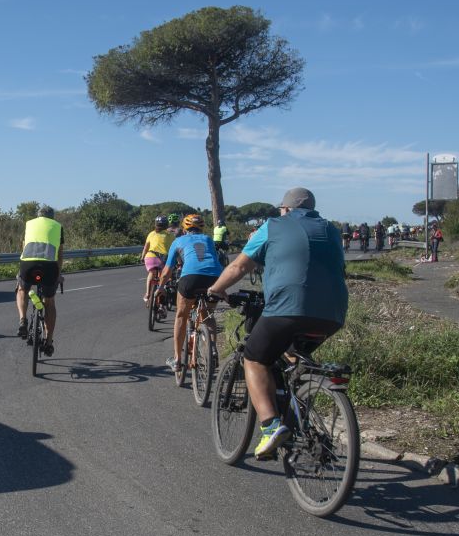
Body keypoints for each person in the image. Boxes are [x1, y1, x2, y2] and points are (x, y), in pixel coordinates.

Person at [207, 188, 347, 459]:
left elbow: (238, 267)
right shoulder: (331, 229)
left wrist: (216, 289)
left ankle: (271, 426)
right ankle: (298, 416)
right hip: (333, 313)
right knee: (294, 356)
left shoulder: (272, 225)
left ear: (286, 209)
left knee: (254, 358)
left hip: (287, 307)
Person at [160, 213, 223, 378]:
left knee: (181, 315)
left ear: (184, 228)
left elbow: (167, 271)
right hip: (215, 278)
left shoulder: (178, 241)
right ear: (201, 227)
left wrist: (160, 287)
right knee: (207, 315)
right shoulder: (208, 239)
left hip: (191, 278)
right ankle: (212, 350)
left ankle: (177, 360)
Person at [16, 205, 65, 356]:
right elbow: (59, 254)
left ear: (38, 216)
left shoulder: (29, 224)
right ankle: (48, 343)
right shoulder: (57, 226)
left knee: (22, 289)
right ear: (52, 217)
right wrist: (58, 275)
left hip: (28, 264)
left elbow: (24, 246)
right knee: (49, 302)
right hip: (49, 266)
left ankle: (22, 319)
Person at [140, 216, 174, 303]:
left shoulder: (151, 234)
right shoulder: (170, 235)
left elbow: (146, 248)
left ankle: (147, 293)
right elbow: (175, 249)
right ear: (166, 225)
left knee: (151, 273)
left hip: (150, 257)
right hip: (163, 259)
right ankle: (162, 300)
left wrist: (142, 257)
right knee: (165, 277)